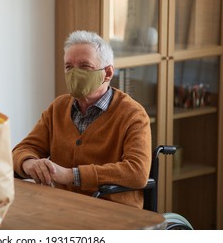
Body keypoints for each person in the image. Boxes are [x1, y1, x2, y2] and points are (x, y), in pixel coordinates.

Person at [13, 30, 151, 209]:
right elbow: (23, 149)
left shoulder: (133, 114)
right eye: (69, 67)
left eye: (85, 66)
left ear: (107, 73)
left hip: (113, 213)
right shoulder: (59, 107)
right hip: (62, 207)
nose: (74, 74)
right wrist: (29, 163)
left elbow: (137, 172)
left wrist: (71, 175)